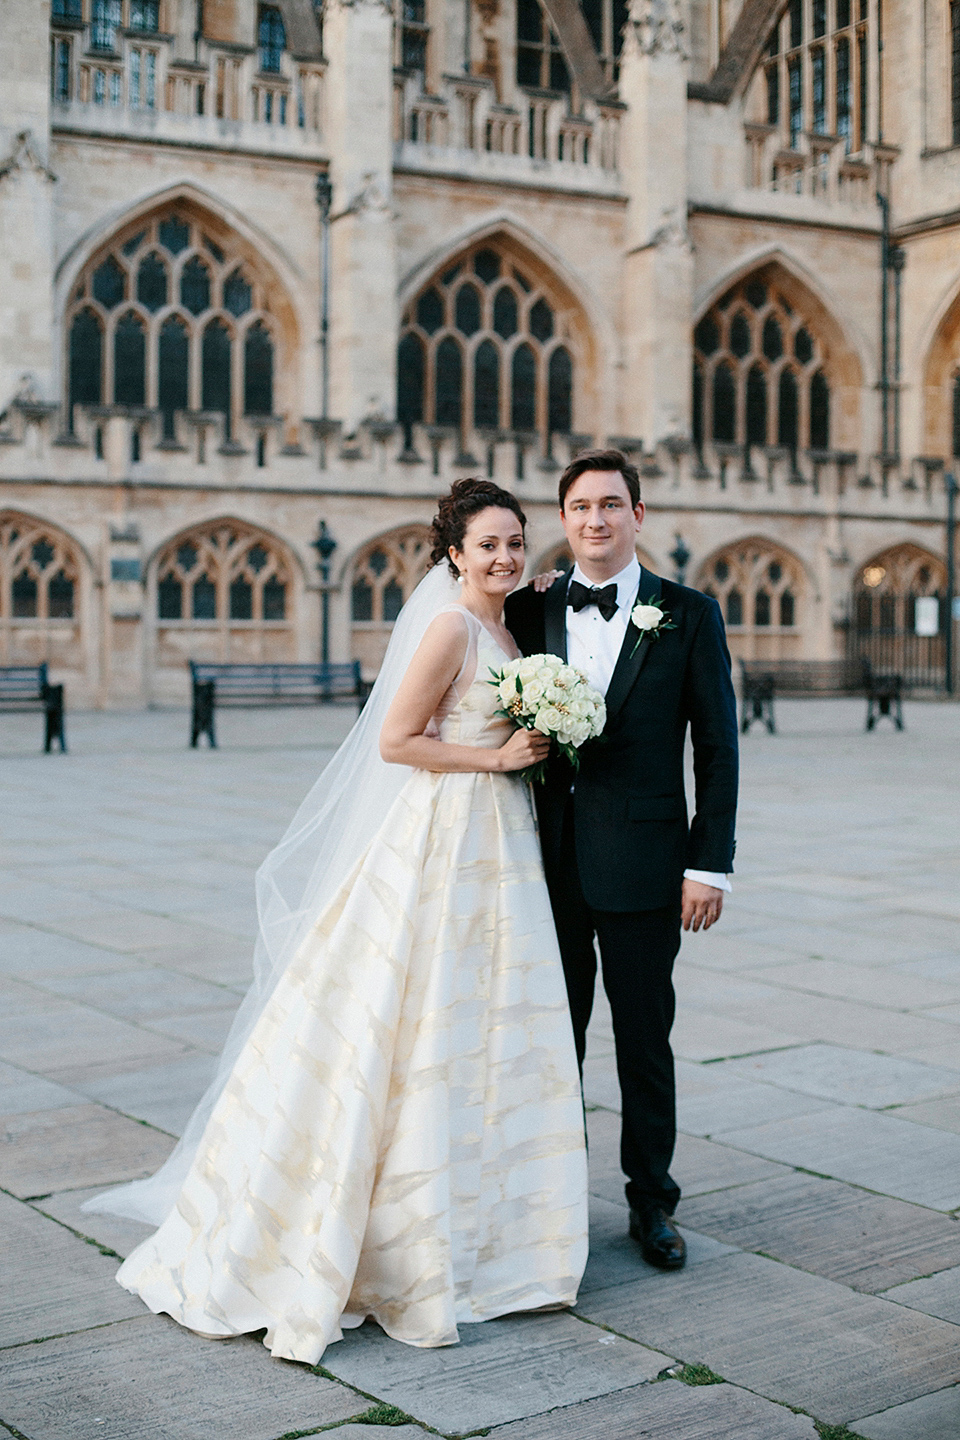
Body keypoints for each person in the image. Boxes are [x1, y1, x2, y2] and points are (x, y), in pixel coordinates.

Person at [84, 479, 588, 1366]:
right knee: (409, 1021)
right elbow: (397, 740)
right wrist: (495, 755)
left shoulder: (514, 627)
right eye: (489, 545)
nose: (506, 557)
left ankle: (490, 1227)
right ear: (453, 555)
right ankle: (385, 1232)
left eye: (516, 542)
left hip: (499, 847)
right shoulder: (451, 629)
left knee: (482, 1027)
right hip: (441, 837)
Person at [505, 449, 738, 1272]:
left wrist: (710, 865)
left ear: (639, 514)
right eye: (579, 507)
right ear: (562, 520)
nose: (595, 520)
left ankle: (652, 1203)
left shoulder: (690, 613)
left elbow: (716, 746)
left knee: (644, 1043)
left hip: (646, 864)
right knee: (548, 1040)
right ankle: (551, 1204)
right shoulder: (529, 610)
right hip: (544, 864)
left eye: (610, 504)